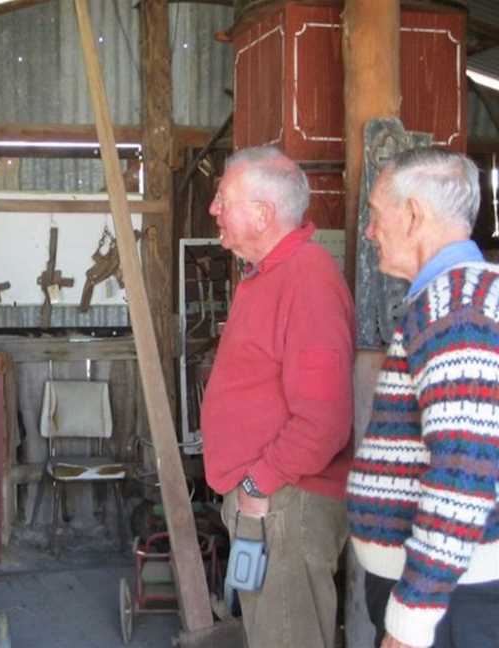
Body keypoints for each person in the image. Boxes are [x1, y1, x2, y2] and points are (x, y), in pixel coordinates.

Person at [201, 146, 355, 648]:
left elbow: (323, 421)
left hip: (284, 504)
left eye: (224, 199)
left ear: (263, 213)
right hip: (267, 501)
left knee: (288, 638)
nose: (213, 209)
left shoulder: (307, 279)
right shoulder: (267, 274)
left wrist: (257, 482)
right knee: (270, 632)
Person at [346, 147, 499, 648]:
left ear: (413, 214)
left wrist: (412, 619)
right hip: (446, 592)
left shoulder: (458, 311)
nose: (369, 231)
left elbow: (462, 474)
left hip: (450, 602)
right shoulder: (452, 300)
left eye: (374, 213)